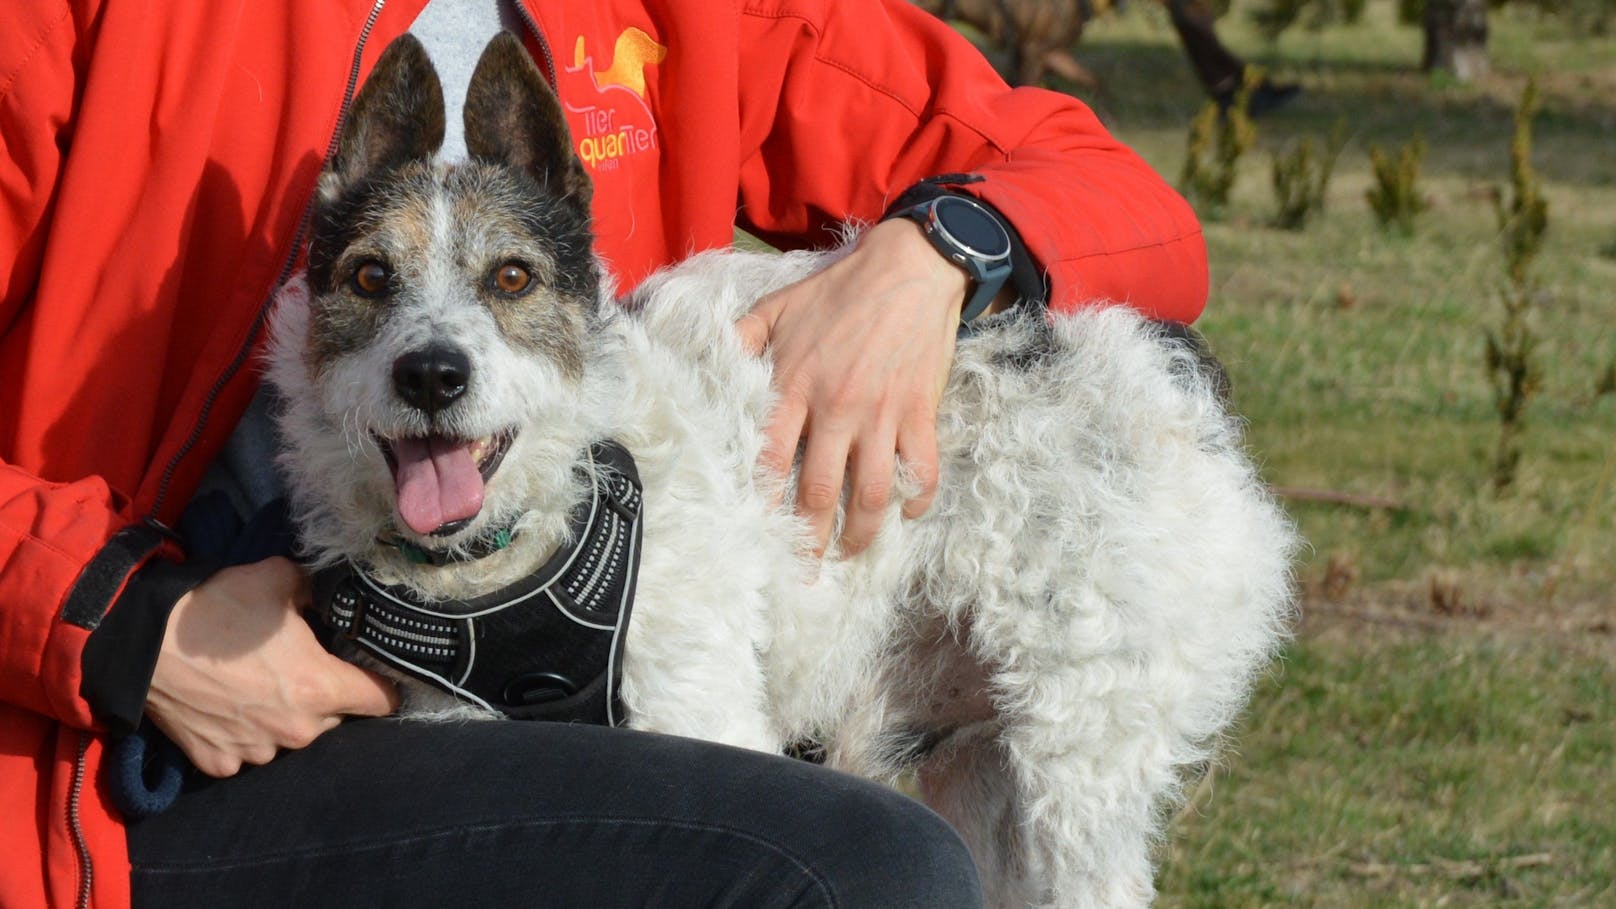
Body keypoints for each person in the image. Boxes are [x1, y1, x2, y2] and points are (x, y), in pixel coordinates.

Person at [0, 1, 1208, 906]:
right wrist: (121, 628)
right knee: (846, 871)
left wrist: (937, 251)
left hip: (553, 715)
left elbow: (1118, 200)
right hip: (110, 773)